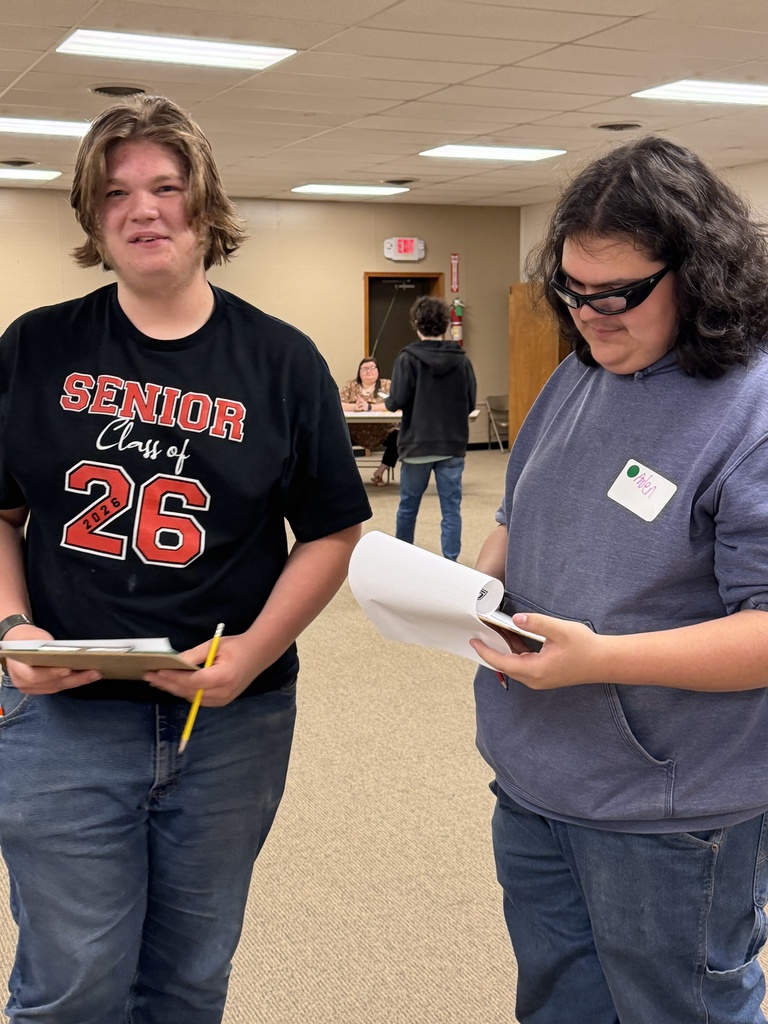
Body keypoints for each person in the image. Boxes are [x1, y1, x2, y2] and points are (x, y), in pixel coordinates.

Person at [0, 94, 371, 1024]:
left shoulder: (281, 362)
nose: (143, 209)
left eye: (166, 186)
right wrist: (10, 627)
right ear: (92, 217)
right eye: (116, 192)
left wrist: (252, 652)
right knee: (71, 980)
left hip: (230, 722)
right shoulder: (37, 347)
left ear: (204, 206)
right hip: (62, 719)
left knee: (191, 977)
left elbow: (331, 530)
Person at [469, 134, 768, 1024]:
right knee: (560, 1006)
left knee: (680, 1010)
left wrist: (600, 657)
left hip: (673, 811)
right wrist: (477, 578)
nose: (591, 314)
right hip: (537, 776)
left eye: (619, 294)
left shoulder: (750, 410)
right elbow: (521, 510)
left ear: (700, 274)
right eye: (573, 289)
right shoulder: (576, 376)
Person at [385, 296, 476, 560]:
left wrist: (389, 401)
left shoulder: (407, 358)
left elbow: (396, 401)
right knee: (451, 509)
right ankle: (451, 561)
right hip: (452, 445)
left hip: (417, 445)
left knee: (408, 507)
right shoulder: (462, 360)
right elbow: (470, 402)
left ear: (416, 323)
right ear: (446, 324)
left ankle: (403, 559)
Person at [339, 356, 398, 485]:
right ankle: (348, 474)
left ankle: (380, 472)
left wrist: (370, 407)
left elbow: (394, 404)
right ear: (359, 372)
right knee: (336, 437)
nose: (368, 371)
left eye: (372, 368)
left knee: (401, 437)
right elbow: (339, 404)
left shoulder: (387, 385)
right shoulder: (351, 386)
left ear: (378, 370)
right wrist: (354, 407)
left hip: (384, 431)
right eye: (364, 369)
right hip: (355, 432)